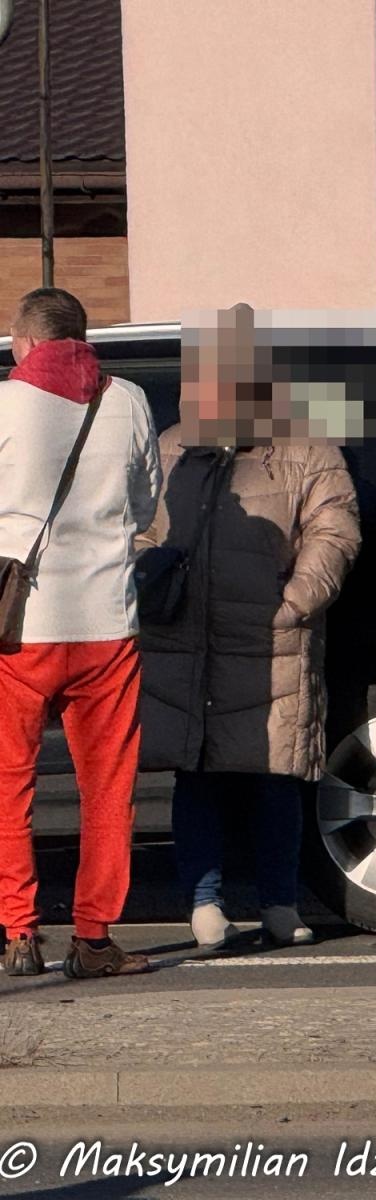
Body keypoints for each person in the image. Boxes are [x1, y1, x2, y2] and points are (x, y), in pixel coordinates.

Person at [136, 303, 361, 952]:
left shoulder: (305, 449)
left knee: (275, 779)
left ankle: (280, 902)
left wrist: (295, 601)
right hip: (185, 640)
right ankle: (203, 903)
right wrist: (148, 570)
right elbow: (141, 525)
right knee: (196, 775)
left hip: (272, 643)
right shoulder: (174, 447)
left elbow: (333, 531)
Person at [0, 286, 161, 978]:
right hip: (106, 626)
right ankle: (94, 939)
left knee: (10, 782)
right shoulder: (126, 400)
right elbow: (149, 500)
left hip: (23, 627)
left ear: (25, 343)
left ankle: (18, 931)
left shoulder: (5, 405)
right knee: (108, 789)